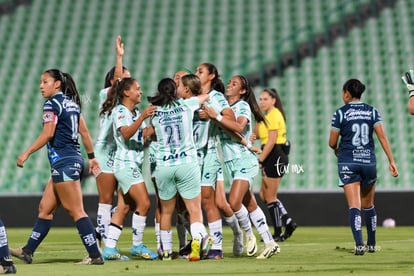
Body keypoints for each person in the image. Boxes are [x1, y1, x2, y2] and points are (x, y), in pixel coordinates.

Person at [11, 69, 104, 265]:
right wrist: (92, 158)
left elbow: (48, 134)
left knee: (76, 210)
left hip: (64, 162)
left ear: (57, 84)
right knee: (45, 208)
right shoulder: (72, 104)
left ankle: (95, 256)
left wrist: (25, 153)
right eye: (40, 82)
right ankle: (28, 251)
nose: (41, 86)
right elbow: (85, 133)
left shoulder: (52, 104)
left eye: (45, 82)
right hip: (73, 161)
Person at [203, 75, 280, 259]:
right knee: (250, 204)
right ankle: (270, 242)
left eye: (234, 84)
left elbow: (238, 127)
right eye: (229, 82)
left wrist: (217, 116)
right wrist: (246, 141)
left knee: (234, 202)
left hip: (244, 161)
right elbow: (234, 133)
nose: (229, 85)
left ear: (243, 91)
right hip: (230, 163)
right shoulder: (224, 108)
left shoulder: (242, 106)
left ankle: (248, 234)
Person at [328, 78, 398, 255]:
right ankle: (372, 243)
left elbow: (331, 142)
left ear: (347, 94)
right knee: (369, 205)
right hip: (368, 162)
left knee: (354, 206)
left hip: (348, 162)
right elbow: (382, 136)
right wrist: (391, 160)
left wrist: (336, 150)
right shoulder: (372, 111)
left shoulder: (340, 113)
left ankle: (359, 245)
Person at [147, 77, 212, 261]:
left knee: (166, 211)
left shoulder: (156, 112)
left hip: (164, 165)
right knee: (194, 210)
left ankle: (166, 252)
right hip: (187, 164)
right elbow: (204, 97)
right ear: (175, 90)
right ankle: (198, 240)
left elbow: (150, 134)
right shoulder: (186, 105)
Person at [99, 77, 158, 260]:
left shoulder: (135, 111)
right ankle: (137, 245)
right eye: (137, 89)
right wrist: (142, 118)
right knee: (145, 203)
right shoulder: (120, 111)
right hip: (125, 164)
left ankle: (109, 248)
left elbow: (144, 134)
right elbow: (125, 134)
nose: (140, 92)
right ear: (126, 92)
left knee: (123, 207)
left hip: (133, 164)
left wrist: (156, 122)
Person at [194, 63, 244, 259]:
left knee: (208, 199)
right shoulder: (193, 97)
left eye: (200, 72)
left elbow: (230, 119)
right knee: (196, 201)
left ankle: (217, 247)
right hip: (193, 153)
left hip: (211, 152)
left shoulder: (216, 97)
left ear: (212, 76)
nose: (196, 74)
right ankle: (198, 241)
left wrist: (213, 117)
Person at [94, 35, 131, 247]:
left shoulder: (127, 105)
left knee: (129, 201)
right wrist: (119, 57)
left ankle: (104, 235)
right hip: (104, 152)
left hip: (120, 153)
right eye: (126, 79)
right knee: (106, 199)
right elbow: (118, 82)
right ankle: (101, 244)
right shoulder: (105, 94)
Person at [254, 88, 297, 241]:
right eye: (260, 99)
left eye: (265, 99)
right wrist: (258, 117)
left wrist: (260, 160)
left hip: (274, 154)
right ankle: (288, 221)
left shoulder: (274, 115)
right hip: (270, 153)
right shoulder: (266, 116)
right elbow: (257, 135)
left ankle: (277, 233)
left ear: (273, 100)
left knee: (270, 196)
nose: (262, 102)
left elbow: (271, 140)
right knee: (263, 195)